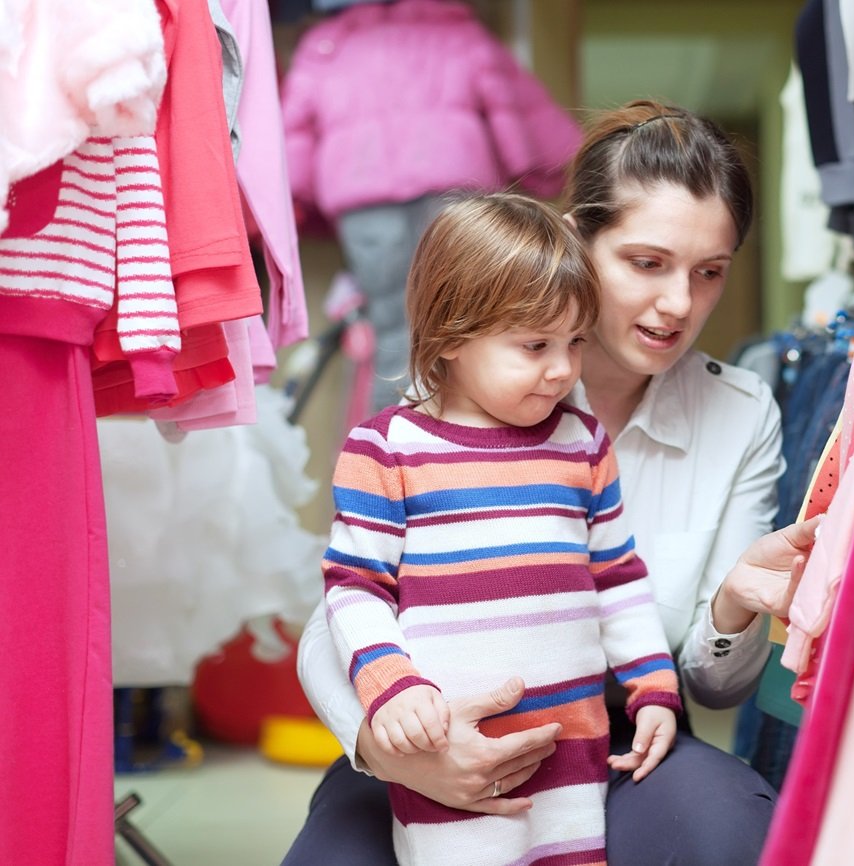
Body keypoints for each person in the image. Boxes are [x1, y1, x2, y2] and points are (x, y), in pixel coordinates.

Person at [285, 100, 818, 866]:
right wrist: (389, 744)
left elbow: (712, 682)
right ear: (574, 241)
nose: (678, 305)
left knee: (728, 829)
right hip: (428, 726)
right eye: (647, 263)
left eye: (709, 273)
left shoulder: (739, 412)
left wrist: (733, 598)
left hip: (614, 736)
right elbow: (340, 610)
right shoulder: (450, 405)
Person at [321, 193, 683, 866]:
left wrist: (653, 687)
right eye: (536, 345)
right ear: (453, 335)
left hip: (575, 749)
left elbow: (618, 580)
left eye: (576, 341)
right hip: (449, 751)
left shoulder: (583, 443)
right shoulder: (387, 449)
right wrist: (390, 684)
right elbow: (355, 588)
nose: (563, 369)